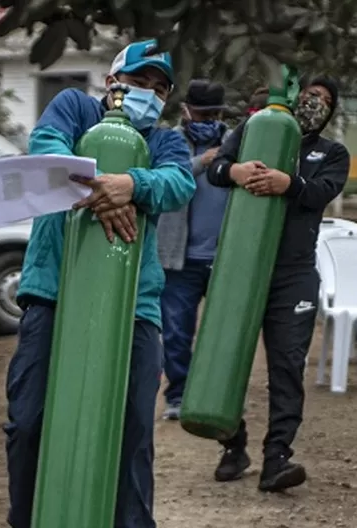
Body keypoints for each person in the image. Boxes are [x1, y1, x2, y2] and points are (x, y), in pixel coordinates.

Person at [3, 39, 195, 528]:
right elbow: (46, 150)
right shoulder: (73, 107)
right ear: (111, 82)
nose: (147, 94)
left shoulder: (164, 139)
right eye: (137, 82)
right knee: (29, 422)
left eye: (159, 88)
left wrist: (131, 185)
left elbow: (179, 183)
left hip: (135, 304)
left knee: (131, 432)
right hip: (52, 291)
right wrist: (103, 189)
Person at [205, 76, 350, 492]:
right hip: (242, 267)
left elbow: (323, 191)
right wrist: (234, 170)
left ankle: (277, 458)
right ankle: (233, 444)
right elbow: (216, 168)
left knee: (287, 366)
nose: (314, 104)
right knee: (225, 356)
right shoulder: (254, 129)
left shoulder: (332, 153)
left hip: (294, 275)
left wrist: (290, 184)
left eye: (324, 100)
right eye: (309, 95)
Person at [157, 79, 231, 420]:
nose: (208, 120)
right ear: (186, 110)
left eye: (214, 114)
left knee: (222, 334)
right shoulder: (170, 140)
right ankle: (178, 396)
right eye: (202, 113)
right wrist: (204, 160)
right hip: (179, 257)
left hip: (225, 257)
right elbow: (163, 178)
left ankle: (218, 397)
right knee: (175, 332)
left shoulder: (237, 143)